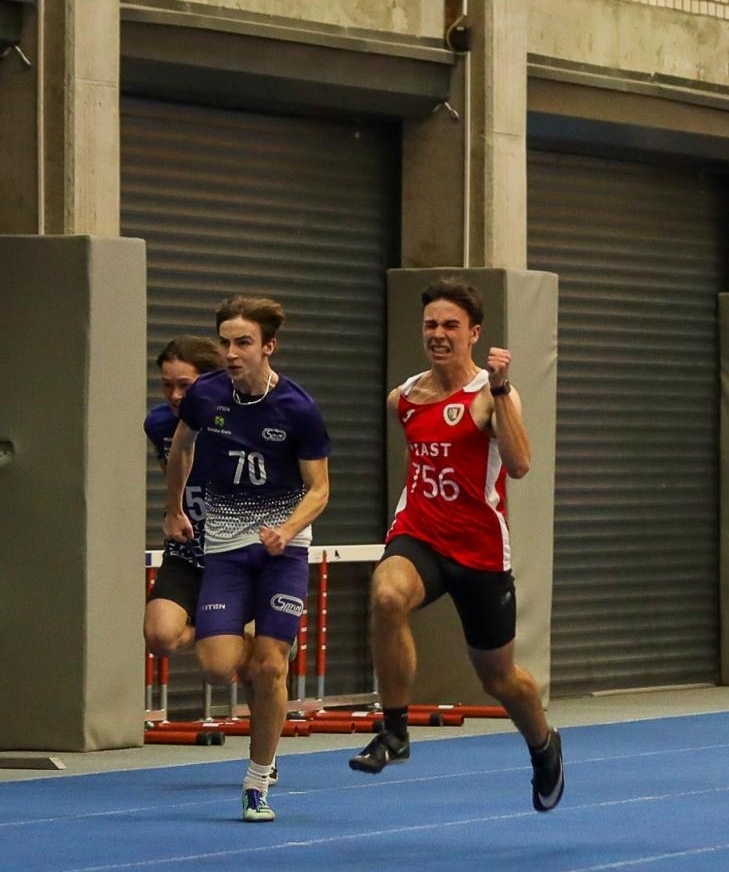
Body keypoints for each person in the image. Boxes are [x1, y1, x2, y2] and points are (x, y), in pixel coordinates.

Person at [348, 278, 564, 814]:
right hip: (421, 534)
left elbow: (519, 465)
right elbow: (415, 461)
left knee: (500, 678)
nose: (439, 335)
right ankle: (394, 730)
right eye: (430, 325)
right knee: (387, 595)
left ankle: (543, 745)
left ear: (474, 333)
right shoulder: (405, 397)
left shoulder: (492, 396)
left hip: (480, 553)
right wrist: (404, 515)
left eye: (450, 326)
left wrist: (499, 389)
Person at [164, 296, 331, 822]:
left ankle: (258, 782)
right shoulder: (207, 395)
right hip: (226, 549)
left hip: (283, 551)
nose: (232, 354)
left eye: (243, 344)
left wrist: (287, 528)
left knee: (269, 666)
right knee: (217, 668)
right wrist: (173, 509)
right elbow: (181, 449)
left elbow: (320, 488)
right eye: (226, 343)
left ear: (267, 347)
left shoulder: (298, 409)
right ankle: (266, 646)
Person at [144, 336, 226, 657]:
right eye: (167, 386)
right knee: (160, 634)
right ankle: (221, 629)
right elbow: (171, 472)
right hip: (187, 553)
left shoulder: (232, 422)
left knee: (228, 664)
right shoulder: (159, 424)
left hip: (232, 553)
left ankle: (253, 635)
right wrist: (175, 510)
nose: (175, 395)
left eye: (185, 385)